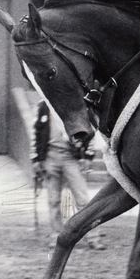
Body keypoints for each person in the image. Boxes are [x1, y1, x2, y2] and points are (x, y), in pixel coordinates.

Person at [31, 100, 104, 250]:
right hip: (50, 157)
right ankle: (56, 236)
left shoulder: (77, 105)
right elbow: (35, 132)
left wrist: (88, 156)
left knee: (83, 199)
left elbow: (90, 130)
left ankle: (93, 237)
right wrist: (36, 158)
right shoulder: (43, 106)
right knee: (53, 200)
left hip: (72, 158)